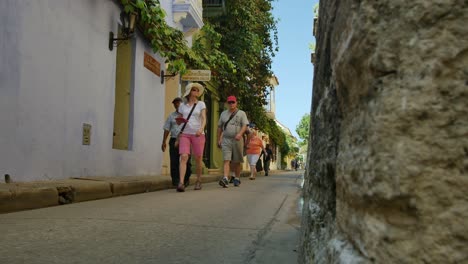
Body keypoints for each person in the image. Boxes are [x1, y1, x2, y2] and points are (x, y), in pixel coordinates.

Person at [176, 83, 207, 192]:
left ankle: (198, 180)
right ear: (189, 92)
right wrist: (179, 121)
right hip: (185, 134)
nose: (197, 92)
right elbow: (179, 119)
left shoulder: (201, 104)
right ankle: (181, 182)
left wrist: (201, 129)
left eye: (198, 90)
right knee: (184, 157)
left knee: (198, 158)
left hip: (198, 134)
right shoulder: (182, 106)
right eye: (194, 90)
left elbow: (204, 118)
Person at [217, 95, 249, 188]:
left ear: (236, 103)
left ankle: (237, 178)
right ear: (227, 103)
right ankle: (226, 178)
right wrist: (219, 139)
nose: (231, 104)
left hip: (237, 140)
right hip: (226, 139)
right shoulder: (223, 114)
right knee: (226, 159)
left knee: (236, 161)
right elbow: (219, 127)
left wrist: (240, 134)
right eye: (229, 102)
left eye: (233, 102)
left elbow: (245, 125)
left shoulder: (242, 113)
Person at [162, 97, 192, 188]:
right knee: (174, 161)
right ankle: (175, 181)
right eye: (175, 103)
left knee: (187, 161)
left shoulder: (187, 115)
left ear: (182, 104)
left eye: (178, 103)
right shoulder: (171, 116)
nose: (176, 105)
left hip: (185, 140)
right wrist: (164, 141)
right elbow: (167, 129)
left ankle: (185, 180)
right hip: (174, 139)